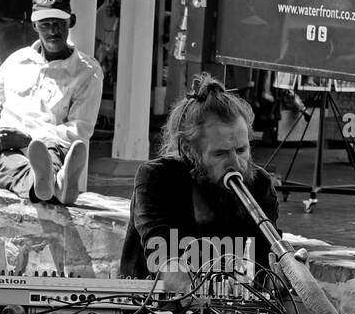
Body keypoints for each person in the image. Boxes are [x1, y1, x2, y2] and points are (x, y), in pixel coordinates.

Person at [120, 74, 280, 291]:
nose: (237, 165)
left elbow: (265, 270)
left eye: (241, 150)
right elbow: (167, 267)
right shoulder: (156, 179)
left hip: (221, 309)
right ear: (189, 150)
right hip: (150, 310)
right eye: (221, 154)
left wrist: (283, 277)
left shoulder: (259, 185)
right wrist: (206, 292)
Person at [0, 0, 102, 206]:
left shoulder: (87, 72)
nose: (52, 31)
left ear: (71, 22)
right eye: (45, 24)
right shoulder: (16, 61)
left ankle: (47, 181)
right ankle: (55, 185)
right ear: (34, 25)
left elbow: (79, 129)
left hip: (51, 147)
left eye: (58, 24)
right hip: (6, 152)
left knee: (49, 152)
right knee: (8, 163)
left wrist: (29, 139)